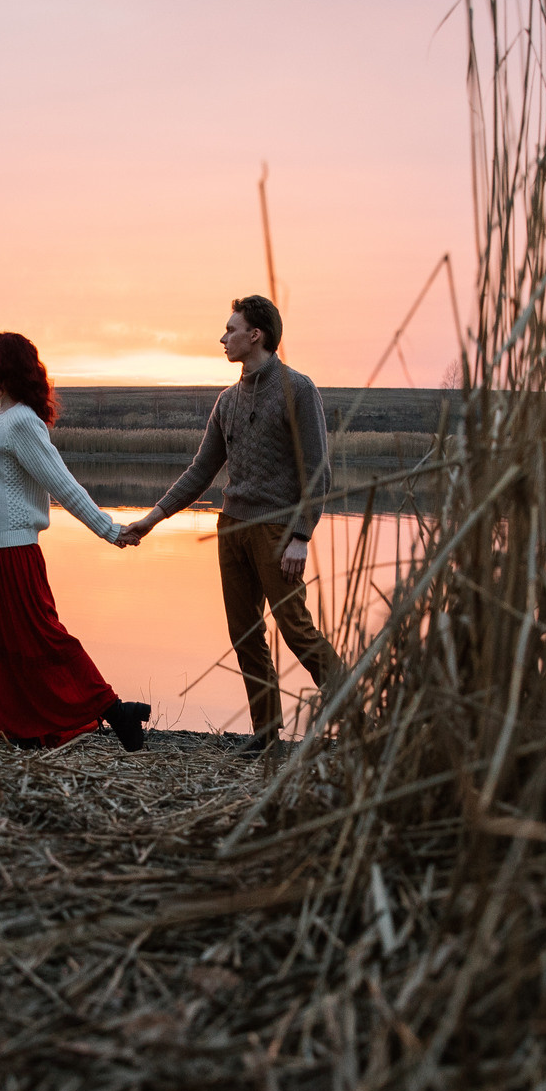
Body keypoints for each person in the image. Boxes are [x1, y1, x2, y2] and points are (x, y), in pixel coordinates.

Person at [115, 295, 345, 754]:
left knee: (297, 630)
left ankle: (359, 720)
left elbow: (318, 471)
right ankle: (266, 736)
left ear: (255, 334)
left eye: (230, 328)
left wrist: (301, 534)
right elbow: (201, 471)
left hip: (278, 533)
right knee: (245, 635)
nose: (223, 338)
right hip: (232, 528)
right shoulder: (227, 401)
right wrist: (152, 519)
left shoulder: (297, 389)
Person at [0, 332, 154, 752]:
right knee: (1, 646)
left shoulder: (23, 421)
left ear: (5, 366)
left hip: (16, 552)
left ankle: (117, 711)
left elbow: (63, 485)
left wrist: (110, 530)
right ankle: (26, 727)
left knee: (45, 638)